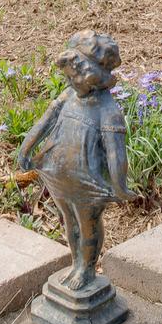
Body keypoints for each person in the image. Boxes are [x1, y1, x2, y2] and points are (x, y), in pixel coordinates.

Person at [18, 30, 131, 295]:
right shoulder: (68, 96)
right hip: (60, 175)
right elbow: (45, 122)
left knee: (87, 223)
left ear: (95, 77)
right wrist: (26, 148)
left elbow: (115, 154)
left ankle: (87, 268)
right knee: (69, 222)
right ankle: (76, 262)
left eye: (74, 78)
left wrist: (120, 185)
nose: (69, 82)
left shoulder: (107, 111)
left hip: (87, 181)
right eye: (67, 77)